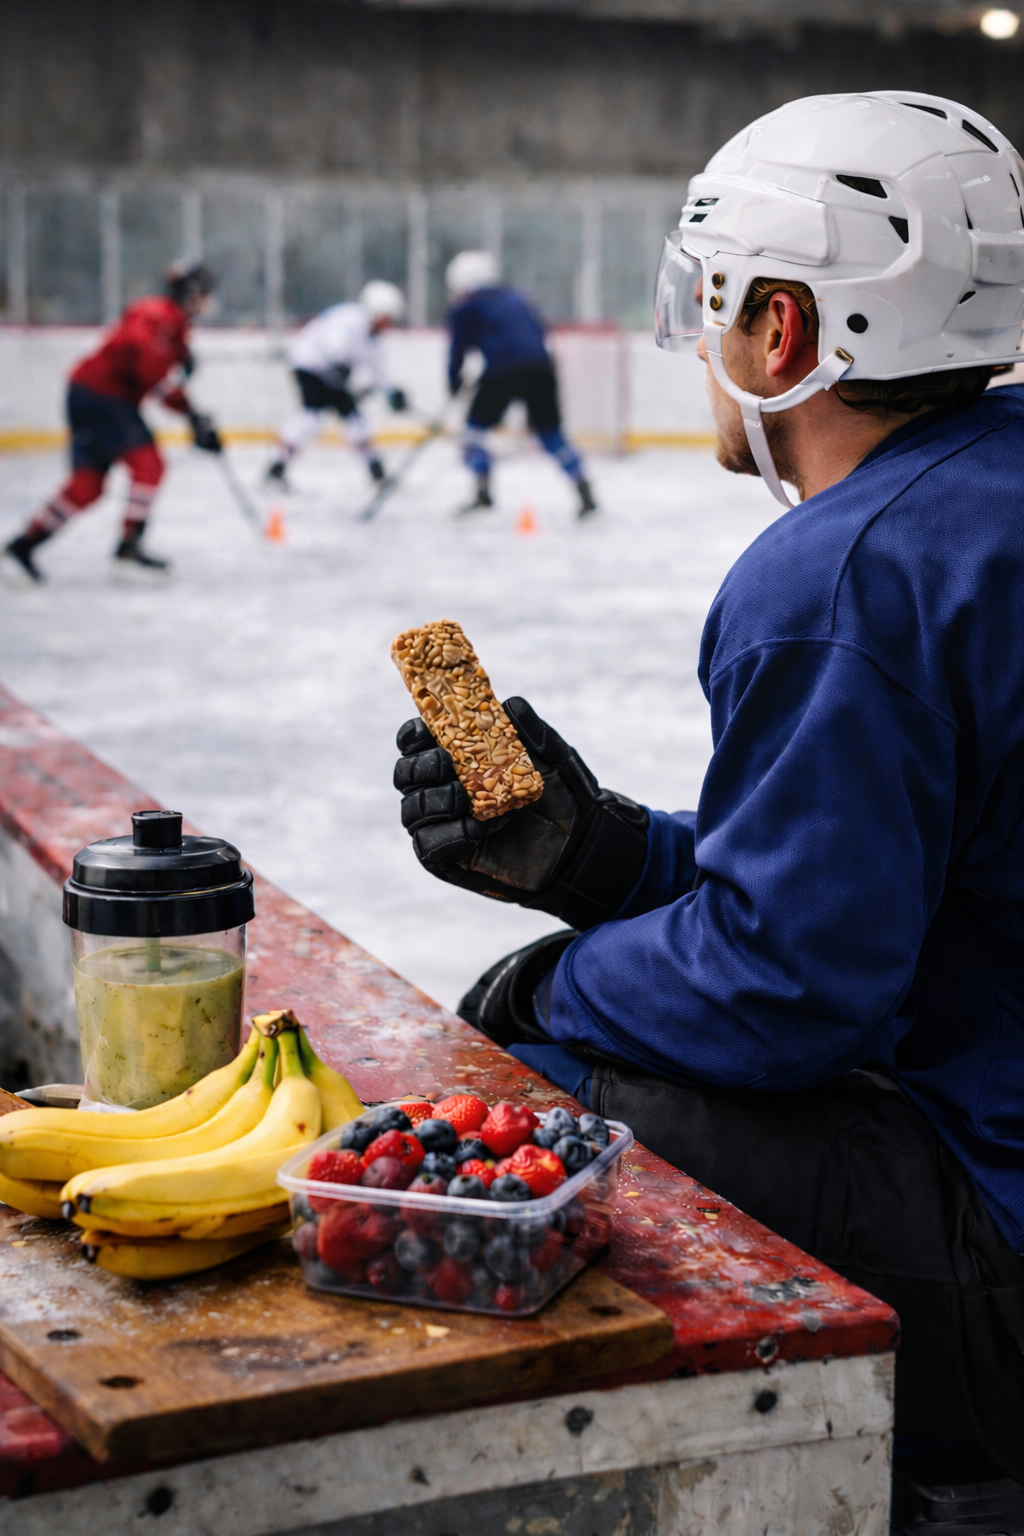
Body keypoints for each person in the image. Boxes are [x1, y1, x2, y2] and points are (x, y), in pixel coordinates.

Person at [394, 92, 1024, 1502]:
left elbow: (788, 991)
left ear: (782, 331)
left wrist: (554, 982)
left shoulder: (847, 574)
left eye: (713, 302)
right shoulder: (990, 501)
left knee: (527, 1094)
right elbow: (886, 885)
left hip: (1005, 1257)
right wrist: (608, 861)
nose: (700, 343)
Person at [4, 261, 220, 582]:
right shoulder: (159, 315)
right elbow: (150, 370)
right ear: (191, 293)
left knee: (87, 485)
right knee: (149, 465)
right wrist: (191, 414)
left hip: (90, 393)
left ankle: (23, 546)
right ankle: (128, 549)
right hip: (103, 396)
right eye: (205, 294)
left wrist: (188, 402)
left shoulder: (167, 319)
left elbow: (153, 369)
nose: (208, 302)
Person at [445, 251, 597, 517]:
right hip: (542, 369)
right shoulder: (517, 298)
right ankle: (583, 487)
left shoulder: (468, 305)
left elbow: (458, 349)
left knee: (474, 431)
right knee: (550, 432)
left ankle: (482, 492)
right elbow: (538, 333)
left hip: (502, 370)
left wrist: (453, 381)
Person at [265, 281, 410, 491]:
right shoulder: (351, 320)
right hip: (310, 370)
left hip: (330, 377)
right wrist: (347, 381)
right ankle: (275, 470)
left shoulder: (371, 336)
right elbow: (334, 349)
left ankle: (377, 473)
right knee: (310, 418)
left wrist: (392, 391)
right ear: (378, 311)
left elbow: (378, 371)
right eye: (388, 318)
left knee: (355, 420)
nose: (390, 325)